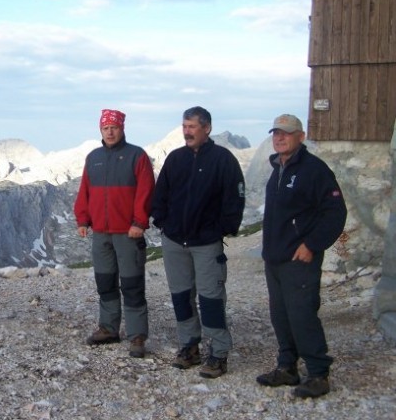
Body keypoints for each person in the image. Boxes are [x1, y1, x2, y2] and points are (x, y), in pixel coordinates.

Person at [256, 114, 347, 398]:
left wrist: (312, 244)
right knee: (280, 315)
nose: (279, 138)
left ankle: (318, 373)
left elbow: (335, 212)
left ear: (301, 136)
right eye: (276, 133)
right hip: (275, 257)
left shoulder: (314, 169)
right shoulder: (279, 167)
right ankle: (287, 367)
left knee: (302, 314)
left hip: (299, 258)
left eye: (286, 133)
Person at [151, 106, 245, 379]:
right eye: (184, 126)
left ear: (207, 128)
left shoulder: (223, 159)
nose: (186, 132)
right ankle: (189, 346)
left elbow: (235, 199)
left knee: (211, 297)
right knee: (181, 296)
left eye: (192, 126)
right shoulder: (176, 158)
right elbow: (161, 195)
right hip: (174, 240)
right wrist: (162, 222)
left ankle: (218, 353)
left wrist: (221, 230)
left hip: (206, 243)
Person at [74, 109, 155, 358]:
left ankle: (137, 335)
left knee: (132, 285)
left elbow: (146, 191)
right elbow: (85, 190)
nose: (110, 131)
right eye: (106, 127)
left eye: (114, 127)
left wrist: (139, 222)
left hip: (128, 233)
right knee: (105, 283)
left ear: (122, 129)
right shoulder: (93, 158)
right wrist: (83, 218)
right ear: (100, 130)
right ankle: (108, 328)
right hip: (101, 233)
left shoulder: (137, 156)